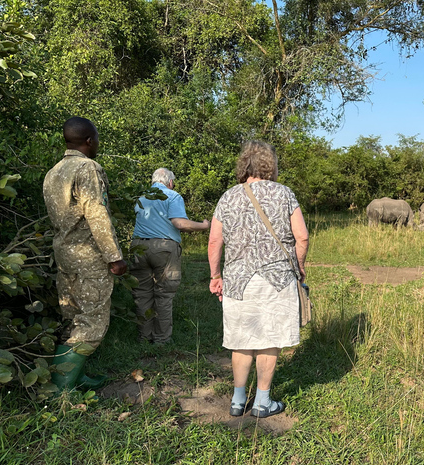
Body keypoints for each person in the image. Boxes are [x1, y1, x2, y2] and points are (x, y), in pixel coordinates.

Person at [207, 141, 308, 418]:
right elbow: (302, 236)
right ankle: (263, 402)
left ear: (244, 165)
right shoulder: (285, 194)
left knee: (241, 340)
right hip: (277, 278)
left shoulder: (228, 197)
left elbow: (215, 239)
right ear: (270, 165)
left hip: (238, 280)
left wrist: (216, 275)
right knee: (269, 338)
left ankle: (238, 401)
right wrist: (299, 268)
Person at [43, 116, 128, 391]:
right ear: (89, 141)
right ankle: (62, 387)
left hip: (64, 256)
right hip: (89, 259)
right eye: (97, 140)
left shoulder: (54, 172)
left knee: (72, 318)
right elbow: (96, 212)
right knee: (92, 322)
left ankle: (74, 377)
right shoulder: (87, 167)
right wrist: (114, 256)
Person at [130, 168, 210, 345]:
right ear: (170, 182)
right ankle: (161, 340)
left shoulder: (141, 197)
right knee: (164, 294)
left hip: (138, 248)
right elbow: (179, 223)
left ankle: (144, 337)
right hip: (163, 248)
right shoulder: (172, 196)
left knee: (142, 294)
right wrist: (204, 226)